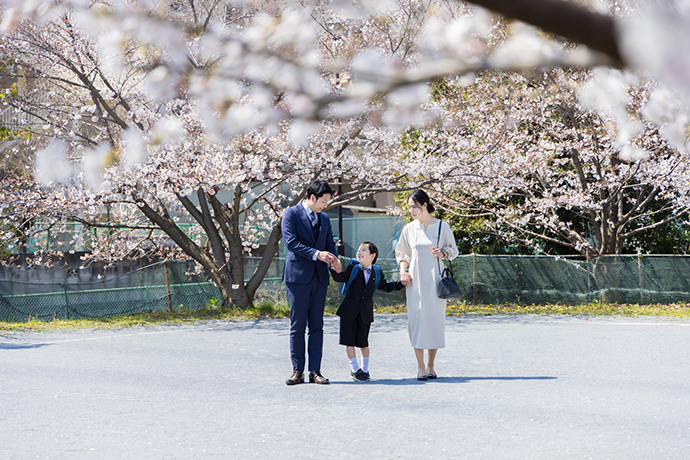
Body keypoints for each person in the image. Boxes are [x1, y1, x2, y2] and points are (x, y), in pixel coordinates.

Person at [281, 179, 342, 385]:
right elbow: (291, 243)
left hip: (319, 277)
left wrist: (334, 258)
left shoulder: (324, 218)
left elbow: (330, 244)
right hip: (297, 277)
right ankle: (297, 370)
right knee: (297, 325)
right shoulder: (291, 214)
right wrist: (317, 254)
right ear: (313, 197)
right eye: (324, 201)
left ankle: (315, 371)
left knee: (317, 326)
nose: (326, 205)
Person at [395, 190, 459, 381]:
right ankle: (420, 366)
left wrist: (443, 253)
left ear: (424, 205)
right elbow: (402, 254)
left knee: (433, 321)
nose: (411, 210)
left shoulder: (441, 226)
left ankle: (431, 365)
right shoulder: (409, 229)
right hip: (415, 282)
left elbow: (453, 250)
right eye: (409, 207)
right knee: (416, 321)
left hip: (435, 281)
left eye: (414, 206)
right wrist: (402, 272)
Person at [330, 242, 407, 382]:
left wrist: (402, 283)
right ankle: (355, 370)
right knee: (349, 342)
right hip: (348, 311)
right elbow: (339, 278)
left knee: (363, 342)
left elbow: (386, 287)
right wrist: (334, 268)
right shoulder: (353, 267)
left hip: (365, 313)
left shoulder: (377, 272)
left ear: (372, 255)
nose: (359, 252)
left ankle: (365, 370)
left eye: (363, 250)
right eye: (359, 250)